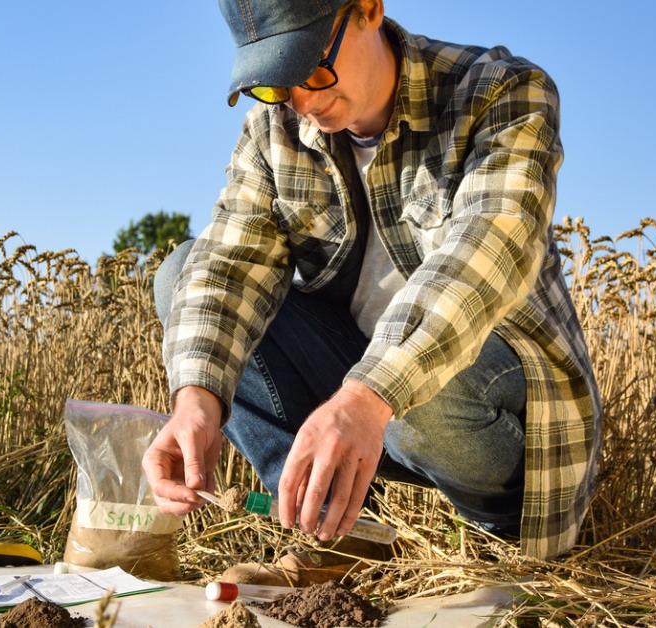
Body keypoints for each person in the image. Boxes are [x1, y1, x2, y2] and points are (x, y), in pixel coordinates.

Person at [142, 0, 602, 584]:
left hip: (487, 399)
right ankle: (337, 533)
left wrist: (366, 396)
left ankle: (504, 548)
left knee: (424, 384)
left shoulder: (501, 93)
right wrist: (197, 402)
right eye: (274, 85)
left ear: (367, 9)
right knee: (182, 272)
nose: (302, 102)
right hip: (361, 393)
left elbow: (484, 255)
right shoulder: (275, 131)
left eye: (310, 68)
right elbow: (229, 263)